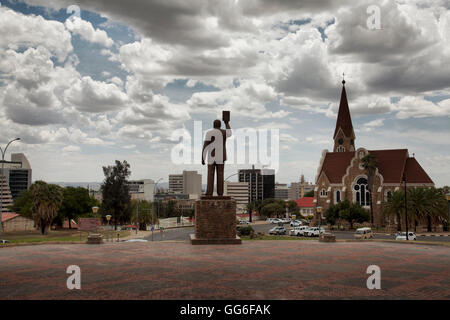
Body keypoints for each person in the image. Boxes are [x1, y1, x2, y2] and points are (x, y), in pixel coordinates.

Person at [202, 118, 232, 196]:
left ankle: (209, 192)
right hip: (221, 156)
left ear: (213, 125)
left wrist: (203, 157)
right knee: (220, 174)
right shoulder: (224, 132)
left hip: (211, 156)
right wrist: (226, 122)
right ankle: (220, 192)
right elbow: (230, 133)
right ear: (220, 125)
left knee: (210, 174)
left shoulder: (209, 133)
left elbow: (205, 145)